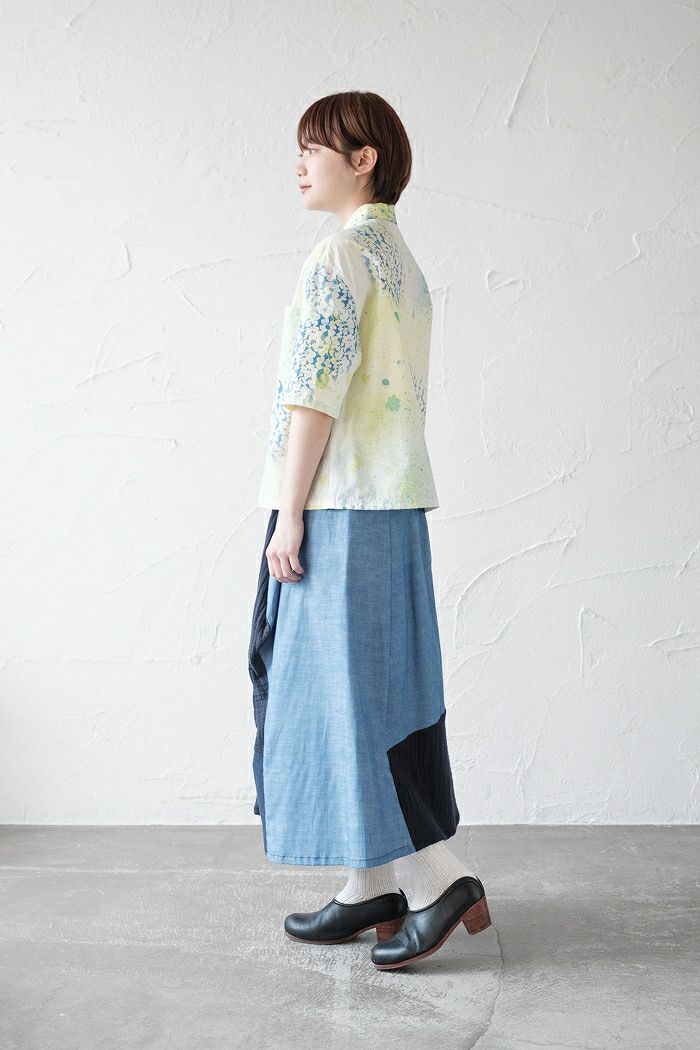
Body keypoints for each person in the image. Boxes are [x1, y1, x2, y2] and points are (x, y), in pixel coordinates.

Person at [248, 91, 491, 970]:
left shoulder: (339, 255)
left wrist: (290, 513)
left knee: (345, 699)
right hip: (392, 507)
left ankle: (440, 879)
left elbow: (313, 393)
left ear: (365, 160)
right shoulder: (402, 262)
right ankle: (370, 887)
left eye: (316, 148)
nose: (300, 163)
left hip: (340, 505)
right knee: (384, 696)